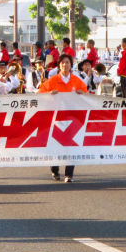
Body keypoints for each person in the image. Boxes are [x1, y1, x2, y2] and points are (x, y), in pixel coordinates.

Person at [38, 53, 88, 183]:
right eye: (62, 63)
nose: (65, 65)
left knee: (71, 146)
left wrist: (81, 94)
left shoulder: (77, 81)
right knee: (55, 145)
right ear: (59, 65)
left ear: (71, 65)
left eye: (67, 62)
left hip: (72, 119)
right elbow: (39, 95)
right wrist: (49, 94)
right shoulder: (53, 80)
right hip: (56, 119)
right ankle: (54, 169)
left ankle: (69, 175)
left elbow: (87, 96)